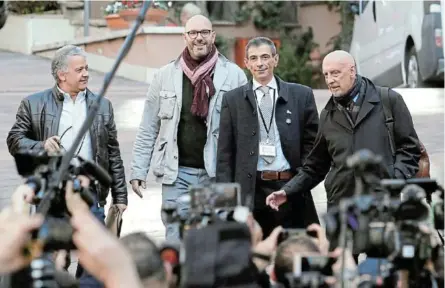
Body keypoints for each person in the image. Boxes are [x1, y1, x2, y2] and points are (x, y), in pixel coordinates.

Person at [6, 44, 128, 288]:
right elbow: (15, 140)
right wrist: (41, 146)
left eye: (86, 69)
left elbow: (113, 153)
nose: (85, 74)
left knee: (94, 254)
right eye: (79, 69)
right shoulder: (33, 103)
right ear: (62, 75)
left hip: (88, 193)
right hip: (52, 191)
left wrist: (120, 196)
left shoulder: (102, 106)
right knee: (51, 255)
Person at [130, 15, 247, 241]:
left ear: (213, 36)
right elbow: (148, 127)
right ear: (185, 37)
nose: (199, 38)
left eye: (204, 32)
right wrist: (138, 170)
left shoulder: (234, 76)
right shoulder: (165, 76)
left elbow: (246, 131)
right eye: (193, 33)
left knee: (215, 237)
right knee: (176, 237)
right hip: (177, 175)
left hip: (217, 175)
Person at [216, 37, 320, 239]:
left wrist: (302, 180)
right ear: (246, 63)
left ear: (275, 59)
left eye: (265, 57)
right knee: (254, 255)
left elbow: (313, 146)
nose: (260, 63)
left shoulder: (301, 95)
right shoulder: (233, 100)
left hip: (290, 190)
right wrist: (226, 206)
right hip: (251, 192)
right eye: (253, 58)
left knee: (294, 254)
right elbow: (224, 156)